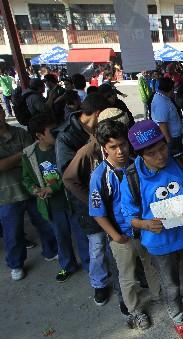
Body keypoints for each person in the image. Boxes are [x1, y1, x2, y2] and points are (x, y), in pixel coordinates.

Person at [121, 120, 183, 339]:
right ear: (139, 155)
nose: (160, 156)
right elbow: (129, 218)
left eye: (162, 148)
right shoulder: (131, 178)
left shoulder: (182, 162)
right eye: (152, 153)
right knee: (171, 286)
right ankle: (179, 321)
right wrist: (146, 224)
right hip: (160, 244)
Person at [89, 119, 161, 329]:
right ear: (104, 148)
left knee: (151, 264)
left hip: (145, 229)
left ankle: (158, 295)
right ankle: (135, 310)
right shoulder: (100, 176)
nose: (120, 151)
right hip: (121, 235)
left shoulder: (138, 164)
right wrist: (117, 236)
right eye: (113, 147)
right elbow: (97, 213)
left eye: (123, 144)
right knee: (127, 275)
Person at [63, 108, 130, 307]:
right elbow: (69, 179)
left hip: (120, 215)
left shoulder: (126, 149)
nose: (120, 148)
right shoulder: (88, 152)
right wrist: (93, 201)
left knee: (122, 255)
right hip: (96, 213)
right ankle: (99, 284)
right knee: (98, 249)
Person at [0, 99, 57, 281]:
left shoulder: (19, 133)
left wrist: (10, 160)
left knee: (44, 223)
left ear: (3, 112)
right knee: (12, 232)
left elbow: (33, 154)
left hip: (32, 190)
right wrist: (22, 155)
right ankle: (16, 264)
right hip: (6, 195)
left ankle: (50, 251)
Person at [22, 113, 86, 282]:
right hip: (52, 207)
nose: (58, 133)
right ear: (39, 136)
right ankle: (67, 266)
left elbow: (72, 175)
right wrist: (34, 189)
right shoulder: (29, 155)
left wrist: (54, 187)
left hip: (71, 201)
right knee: (61, 237)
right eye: (52, 131)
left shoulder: (64, 147)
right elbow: (26, 178)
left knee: (82, 236)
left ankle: (89, 265)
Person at [55, 93, 109, 174]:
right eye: (106, 115)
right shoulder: (65, 136)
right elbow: (67, 172)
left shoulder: (101, 128)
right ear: (98, 113)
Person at [151, 77, 183, 156]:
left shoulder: (163, 98)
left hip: (174, 136)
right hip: (172, 138)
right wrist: (169, 142)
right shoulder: (161, 103)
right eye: (173, 88)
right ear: (170, 89)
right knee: (176, 158)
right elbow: (162, 124)